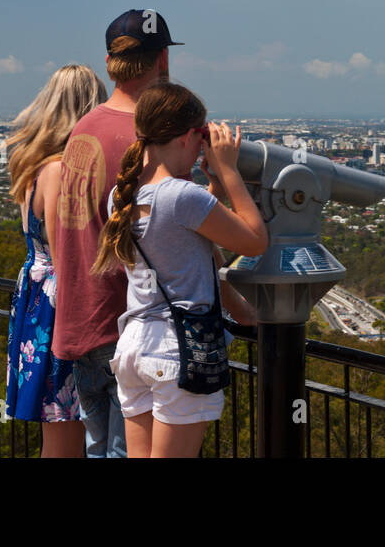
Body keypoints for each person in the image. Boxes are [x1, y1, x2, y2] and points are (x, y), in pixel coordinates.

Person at [91, 82, 266, 458]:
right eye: (202, 136)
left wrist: (213, 186)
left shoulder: (122, 196)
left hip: (134, 348)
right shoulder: (182, 196)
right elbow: (255, 240)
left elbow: (179, 232)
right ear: (189, 136)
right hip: (178, 353)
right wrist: (230, 171)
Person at [50, 9, 182, 458]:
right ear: (162, 60)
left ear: (110, 63)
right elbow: (168, 236)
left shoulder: (84, 128)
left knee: (98, 451)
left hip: (80, 320)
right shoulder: (147, 136)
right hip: (127, 328)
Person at [3, 64, 107, 457]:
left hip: (36, 304)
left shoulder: (31, 168)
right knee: (68, 436)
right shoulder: (61, 171)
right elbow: (71, 260)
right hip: (63, 311)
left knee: (59, 437)